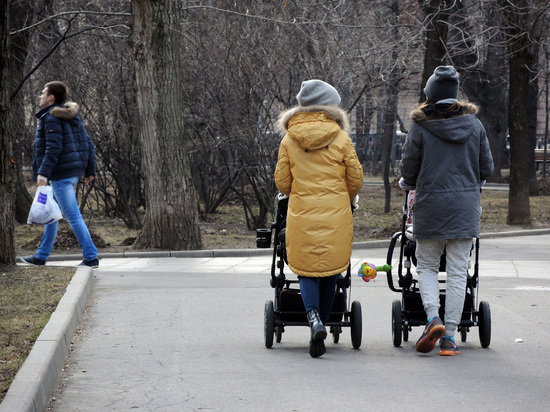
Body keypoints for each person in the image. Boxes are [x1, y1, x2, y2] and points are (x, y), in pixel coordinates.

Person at [399, 66, 494, 356]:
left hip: (431, 207)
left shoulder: (420, 127)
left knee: (426, 266)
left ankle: (432, 319)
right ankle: (450, 337)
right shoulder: (475, 125)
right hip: (465, 210)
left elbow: (408, 170)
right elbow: (486, 168)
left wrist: (409, 182)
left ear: (429, 95)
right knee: (457, 272)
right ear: (454, 95)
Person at [274, 79, 363, 357]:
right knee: (331, 269)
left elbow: (282, 182)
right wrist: (343, 195)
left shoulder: (289, 139)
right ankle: (322, 323)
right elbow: (356, 179)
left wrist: (300, 190)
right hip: (336, 213)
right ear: (330, 106)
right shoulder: (341, 137)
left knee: (306, 268)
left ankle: (312, 318)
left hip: (301, 213)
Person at [21, 81, 99, 269]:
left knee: (72, 215)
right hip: (68, 173)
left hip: (60, 175)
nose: (39, 96)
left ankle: (91, 257)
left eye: (42, 93)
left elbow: (53, 148)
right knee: (51, 215)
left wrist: (43, 174)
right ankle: (41, 256)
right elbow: (87, 143)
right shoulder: (72, 117)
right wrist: (90, 170)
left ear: (51, 97)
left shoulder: (51, 118)